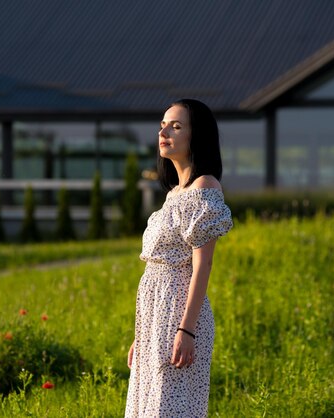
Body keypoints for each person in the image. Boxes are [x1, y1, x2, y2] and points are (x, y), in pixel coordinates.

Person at [125, 99, 233, 417]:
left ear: (195, 136)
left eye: (176, 125)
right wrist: (140, 335)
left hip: (177, 314)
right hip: (153, 315)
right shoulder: (175, 193)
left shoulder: (205, 188)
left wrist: (186, 330)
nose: (164, 131)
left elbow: (203, 265)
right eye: (162, 124)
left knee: (169, 409)